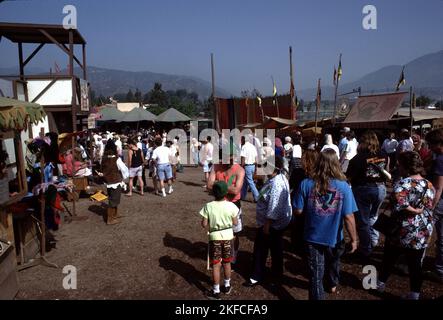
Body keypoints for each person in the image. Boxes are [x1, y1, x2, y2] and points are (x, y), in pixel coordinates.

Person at [293, 149, 358, 300]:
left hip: (312, 235)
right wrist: (354, 239)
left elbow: (298, 210)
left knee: (316, 274)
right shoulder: (344, 187)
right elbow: (349, 216)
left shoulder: (306, 183)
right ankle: (332, 284)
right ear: (336, 163)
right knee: (333, 263)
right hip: (335, 237)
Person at [376, 151, 435, 299]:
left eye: (399, 164)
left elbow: (399, 203)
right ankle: (415, 293)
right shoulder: (428, 184)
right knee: (415, 264)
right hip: (422, 228)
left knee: (389, 257)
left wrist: (413, 210)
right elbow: (430, 204)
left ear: (405, 166)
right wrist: (418, 210)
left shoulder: (403, 183)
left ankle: (380, 284)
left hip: (402, 228)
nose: (397, 166)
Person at [244, 156, 292, 287]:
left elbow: (274, 205)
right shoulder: (276, 178)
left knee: (261, 248)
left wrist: (267, 224)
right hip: (275, 222)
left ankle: (257, 275)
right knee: (276, 247)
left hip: (272, 223)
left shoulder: (277, 183)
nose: (263, 168)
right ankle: (276, 274)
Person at [347, 131, 388, 261]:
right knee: (373, 216)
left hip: (364, 189)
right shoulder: (383, 154)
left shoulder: (357, 158)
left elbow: (349, 177)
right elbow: (386, 170)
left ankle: (365, 249)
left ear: (364, 142)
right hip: (381, 188)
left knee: (363, 222)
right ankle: (373, 241)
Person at [200, 181, 239, 300]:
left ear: (213, 193)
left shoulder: (208, 206)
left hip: (215, 237)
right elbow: (235, 222)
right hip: (228, 236)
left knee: (216, 265)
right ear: (226, 192)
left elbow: (204, 224)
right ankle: (227, 286)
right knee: (227, 263)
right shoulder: (232, 206)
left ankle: (216, 291)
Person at [208, 143, 245, 267]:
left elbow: (236, 191)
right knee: (219, 231)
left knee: (234, 234)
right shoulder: (216, 166)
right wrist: (228, 187)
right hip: (219, 204)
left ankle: (233, 256)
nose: (229, 160)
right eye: (227, 157)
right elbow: (208, 186)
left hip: (234, 205)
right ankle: (221, 255)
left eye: (232, 157)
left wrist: (219, 185)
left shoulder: (239, 169)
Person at [425, 129, 443, 283]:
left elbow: (438, 187)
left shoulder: (440, 160)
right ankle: (440, 267)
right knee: (442, 236)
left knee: (424, 233)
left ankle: (416, 262)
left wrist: (431, 207)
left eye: (431, 144)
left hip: (440, 202)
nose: (430, 147)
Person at [99, 140, 129, 225]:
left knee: (113, 198)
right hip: (115, 181)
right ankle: (110, 219)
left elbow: (102, 169)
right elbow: (124, 169)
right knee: (114, 200)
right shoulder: (117, 159)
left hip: (108, 181)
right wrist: (124, 176)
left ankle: (115, 214)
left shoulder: (104, 158)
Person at [241, 135, 259, 202]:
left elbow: (243, 157)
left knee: (250, 182)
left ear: (244, 139)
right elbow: (256, 158)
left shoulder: (244, 147)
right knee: (246, 182)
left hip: (247, 166)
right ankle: (242, 196)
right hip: (253, 165)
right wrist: (256, 167)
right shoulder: (253, 146)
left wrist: (242, 166)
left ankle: (257, 197)